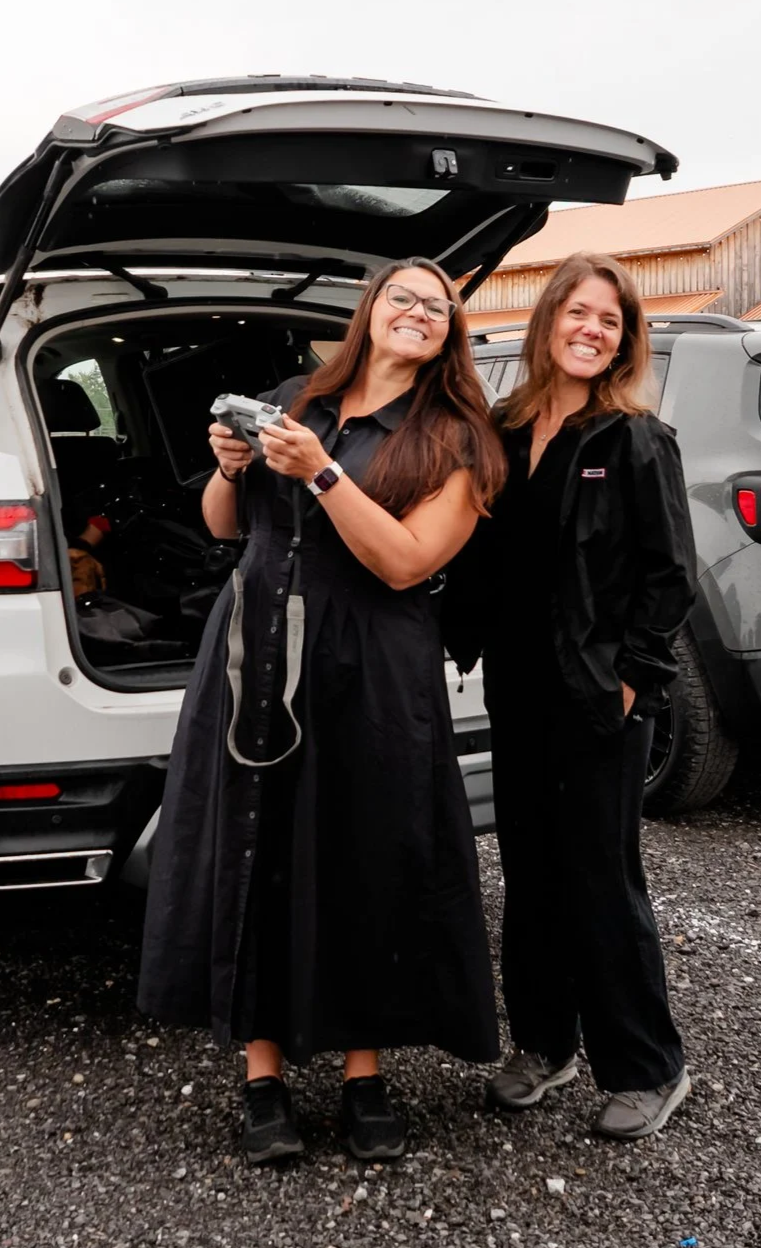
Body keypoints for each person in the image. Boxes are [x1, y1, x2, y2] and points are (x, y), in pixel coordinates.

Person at [137, 258, 506, 1165]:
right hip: (256, 646)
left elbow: (408, 563)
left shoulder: (459, 436)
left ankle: (363, 1073)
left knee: (366, 850)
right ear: (372, 310)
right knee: (256, 844)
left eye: (438, 306)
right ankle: (261, 1076)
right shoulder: (293, 397)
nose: (419, 312)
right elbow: (226, 525)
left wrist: (324, 475)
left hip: (373, 667)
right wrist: (229, 468)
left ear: (451, 330)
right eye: (403, 297)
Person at [473, 252, 696, 1139]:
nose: (593, 330)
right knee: (529, 875)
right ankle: (545, 1045)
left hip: (601, 699)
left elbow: (669, 578)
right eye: (580, 313)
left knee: (600, 880)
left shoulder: (634, 438)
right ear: (548, 321)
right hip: (516, 689)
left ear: (623, 340)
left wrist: (633, 682)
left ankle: (647, 1066)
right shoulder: (501, 427)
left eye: (611, 321)